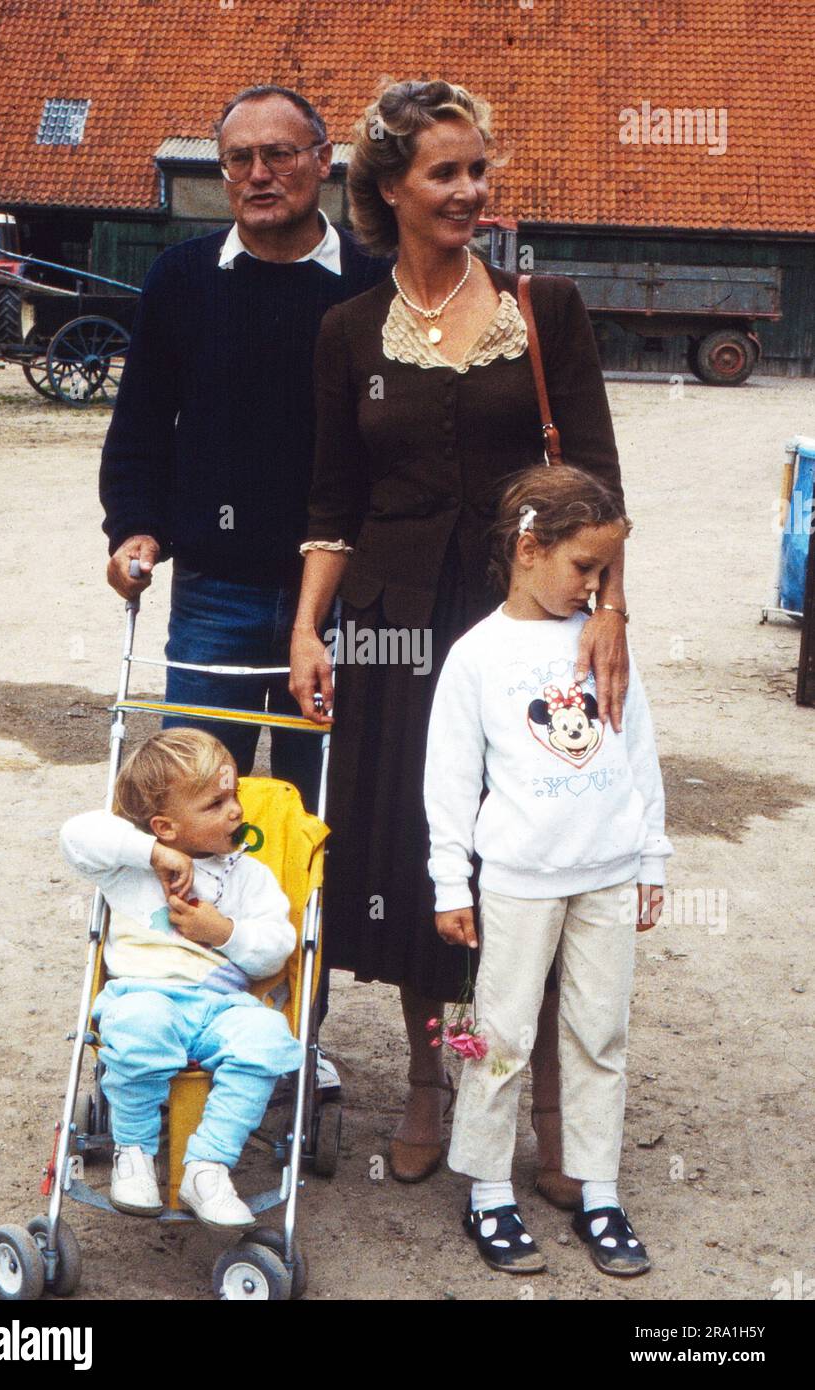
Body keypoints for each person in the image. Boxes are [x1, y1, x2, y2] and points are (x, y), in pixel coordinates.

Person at [289, 80, 631, 1190]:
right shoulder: (346, 329)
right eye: (445, 172)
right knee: (412, 849)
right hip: (395, 635)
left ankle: (543, 1106)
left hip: (529, 627)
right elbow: (330, 503)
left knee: (535, 851)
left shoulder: (548, 310)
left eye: (478, 170)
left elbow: (597, 481)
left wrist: (610, 611)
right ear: (389, 188)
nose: (471, 191)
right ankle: (435, 1079)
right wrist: (308, 628)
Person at [99, 84, 388, 816]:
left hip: (341, 602)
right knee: (193, 804)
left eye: (278, 154)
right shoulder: (181, 278)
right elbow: (139, 428)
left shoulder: (375, 284)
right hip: (214, 595)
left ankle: (311, 935)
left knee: (321, 809)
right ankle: (198, 932)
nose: (258, 175)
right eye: (239, 160)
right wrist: (133, 527)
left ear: (323, 161)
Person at [424, 465, 672, 1276]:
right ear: (529, 549)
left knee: (601, 1031)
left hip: (605, 870)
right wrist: (448, 881)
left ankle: (600, 1189)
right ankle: (488, 1192)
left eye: (603, 573)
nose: (596, 587)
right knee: (500, 1035)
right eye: (584, 569)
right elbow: (451, 780)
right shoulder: (478, 656)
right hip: (521, 879)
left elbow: (637, 752)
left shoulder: (601, 640)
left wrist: (650, 857)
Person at [59, 729, 304, 1228]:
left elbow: (277, 946)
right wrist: (155, 855)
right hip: (144, 993)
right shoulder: (129, 867)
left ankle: (207, 1165)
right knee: (137, 1027)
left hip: (221, 1004)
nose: (236, 810)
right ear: (164, 826)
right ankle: (134, 1151)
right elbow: (75, 836)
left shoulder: (247, 874)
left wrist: (227, 933)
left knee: (266, 1038)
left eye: (234, 796)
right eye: (216, 803)